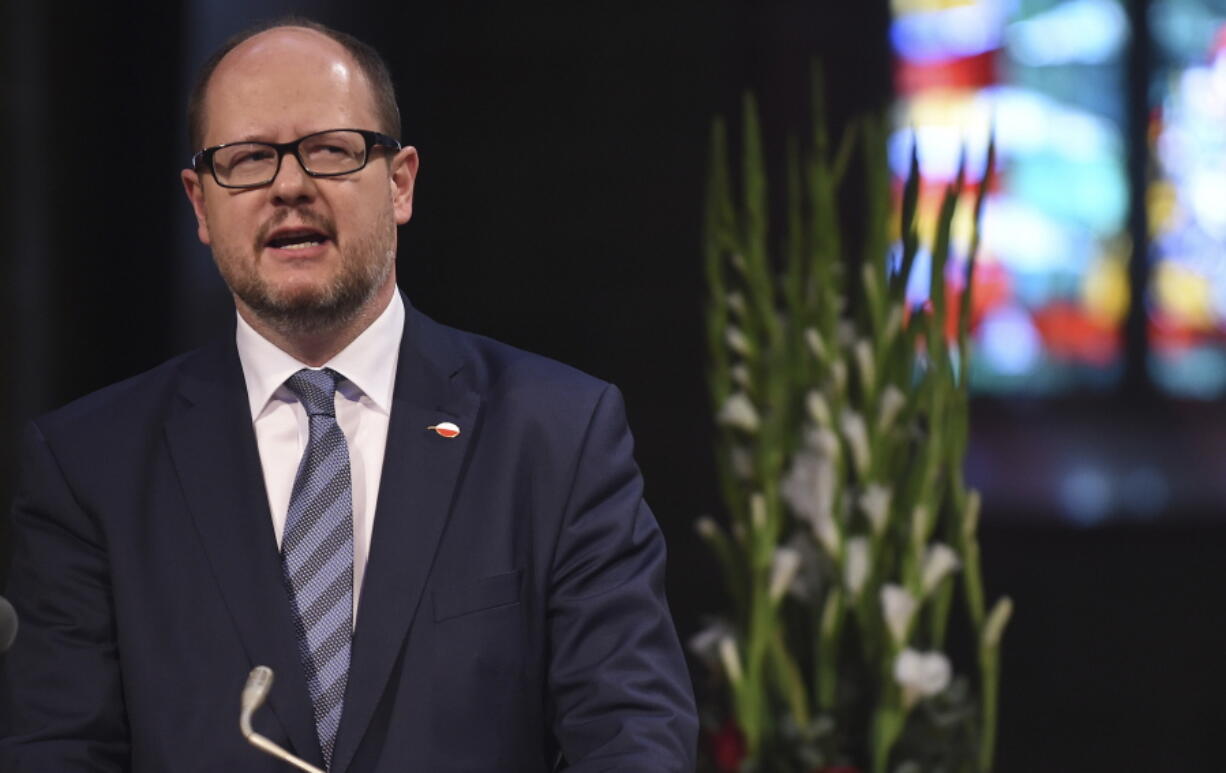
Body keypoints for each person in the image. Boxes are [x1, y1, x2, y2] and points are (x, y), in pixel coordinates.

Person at [0, 18, 697, 772]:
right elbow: (57, 750)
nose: (289, 185)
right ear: (200, 206)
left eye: (329, 151)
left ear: (399, 183)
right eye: (248, 158)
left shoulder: (557, 436)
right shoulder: (90, 468)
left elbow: (632, 736)